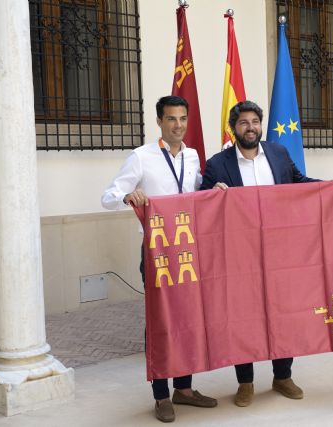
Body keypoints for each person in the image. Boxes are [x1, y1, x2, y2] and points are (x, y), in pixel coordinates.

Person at [200, 100, 333, 407]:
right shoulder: (217, 163)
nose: (250, 127)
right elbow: (202, 202)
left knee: (284, 310)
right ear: (233, 128)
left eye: (255, 121)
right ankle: (245, 383)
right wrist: (213, 195)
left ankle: (283, 376)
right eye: (243, 122)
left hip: (281, 251)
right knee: (243, 315)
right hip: (240, 255)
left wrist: (331, 187)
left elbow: (300, 185)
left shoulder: (278, 154)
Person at [101, 95, 217, 423]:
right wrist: (127, 195)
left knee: (189, 319)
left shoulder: (193, 156)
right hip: (155, 252)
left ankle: (185, 388)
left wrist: (214, 190)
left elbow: (195, 195)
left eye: (182, 119)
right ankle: (161, 394)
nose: (178, 125)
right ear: (159, 122)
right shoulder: (141, 157)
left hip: (187, 250)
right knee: (161, 321)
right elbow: (107, 196)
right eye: (171, 119)